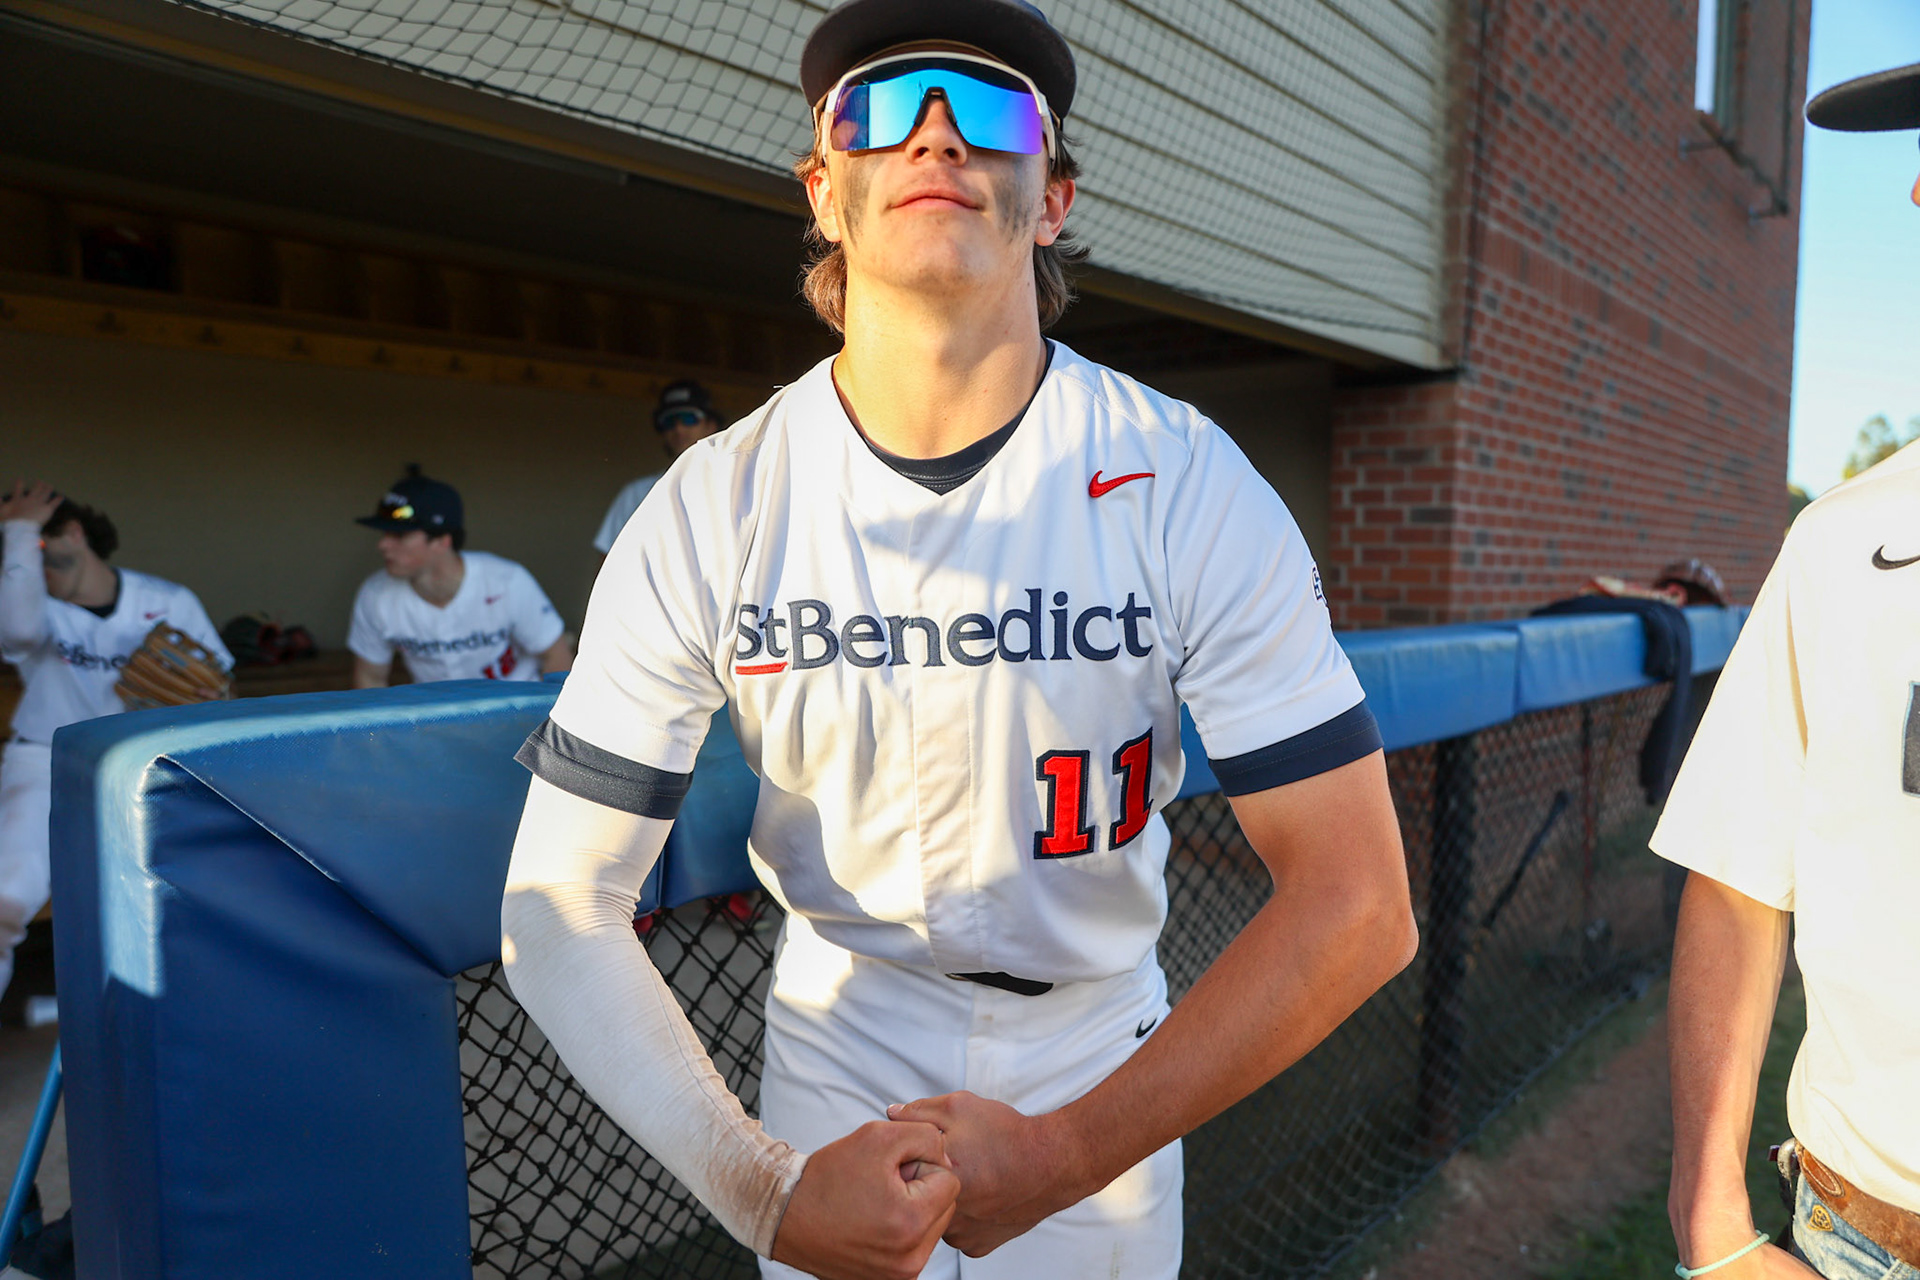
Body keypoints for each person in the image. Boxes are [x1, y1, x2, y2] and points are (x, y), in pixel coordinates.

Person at [499, 2, 1416, 1277]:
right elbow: (558, 906)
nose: (937, 138)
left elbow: (1361, 904)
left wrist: (1070, 1150)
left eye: (990, 114)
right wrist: (762, 1194)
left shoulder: (1186, 475)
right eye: (881, 113)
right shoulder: (714, 500)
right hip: (839, 1039)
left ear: (1052, 198)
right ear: (825, 192)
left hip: (1098, 1056)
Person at [1657, 63, 1920, 1280]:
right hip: (1856, 1232)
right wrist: (1713, 1220)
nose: (1917, 188)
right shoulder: (1845, 537)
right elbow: (1740, 870)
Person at [0, 479, 231, 997]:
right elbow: (15, 633)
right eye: (19, 550)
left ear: (75, 533)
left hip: (144, 763)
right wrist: (18, 528)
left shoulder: (166, 600)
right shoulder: (31, 606)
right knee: (7, 896)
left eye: (41, 544)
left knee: (194, 887)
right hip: (47, 759)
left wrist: (199, 704)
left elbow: (217, 691)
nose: (30, 561)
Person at [347, 466, 573, 688]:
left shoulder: (506, 581)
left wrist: (547, 722)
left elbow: (557, 657)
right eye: (384, 533)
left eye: (398, 534)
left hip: (518, 712)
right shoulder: (376, 594)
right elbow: (370, 679)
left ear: (442, 541)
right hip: (440, 718)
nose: (383, 545)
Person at [592, 379, 725, 564]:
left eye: (689, 418)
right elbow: (607, 563)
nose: (678, 429)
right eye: (669, 421)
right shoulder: (636, 494)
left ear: (711, 425)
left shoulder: (733, 486)